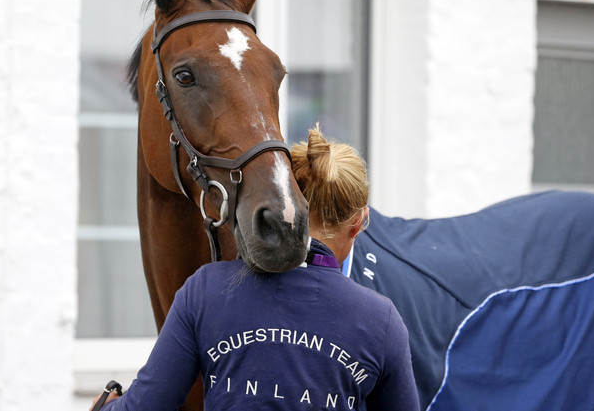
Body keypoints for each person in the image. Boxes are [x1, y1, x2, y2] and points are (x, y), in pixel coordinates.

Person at [93, 125, 419, 410]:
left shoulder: (206, 291)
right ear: (358, 223)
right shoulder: (381, 320)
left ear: (287, 200)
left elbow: (147, 406)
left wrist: (104, 406)